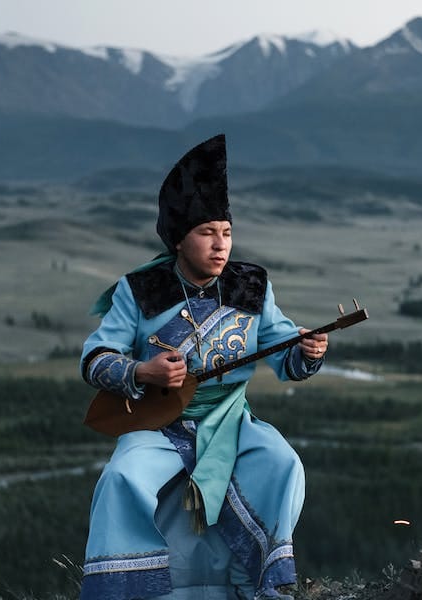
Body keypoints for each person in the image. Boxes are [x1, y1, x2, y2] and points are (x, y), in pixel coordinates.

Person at [78, 133, 328, 600]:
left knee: (283, 463)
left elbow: (283, 353)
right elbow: (95, 359)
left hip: (231, 419)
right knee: (121, 478)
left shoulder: (251, 285)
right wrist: (142, 373)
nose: (220, 246)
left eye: (226, 233)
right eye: (206, 233)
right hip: (158, 425)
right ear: (178, 240)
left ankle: (259, 589)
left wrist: (307, 353)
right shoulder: (139, 289)